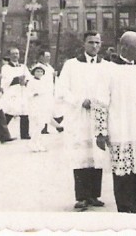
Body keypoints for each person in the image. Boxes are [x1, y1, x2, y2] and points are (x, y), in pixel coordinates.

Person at [93, 31, 136, 213]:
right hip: (119, 128)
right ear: (124, 48)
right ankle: (124, 210)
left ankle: (134, 208)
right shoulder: (108, 69)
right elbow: (100, 103)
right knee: (121, 173)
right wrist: (100, 132)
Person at [55, 31, 109, 211]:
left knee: (96, 154)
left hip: (97, 116)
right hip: (78, 115)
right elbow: (62, 89)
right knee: (80, 155)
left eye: (97, 43)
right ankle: (82, 196)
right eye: (91, 42)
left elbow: (109, 89)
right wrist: (80, 101)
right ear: (84, 44)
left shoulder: (106, 66)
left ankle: (94, 195)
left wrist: (99, 103)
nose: (94, 46)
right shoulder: (71, 65)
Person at [27, 65, 60, 152]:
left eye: (41, 72)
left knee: (41, 125)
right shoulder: (31, 81)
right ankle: (32, 142)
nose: (39, 73)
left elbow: (47, 91)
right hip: (35, 105)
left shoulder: (44, 81)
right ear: (33, 72)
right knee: (36, 124)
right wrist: (34, 94)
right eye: (37, 71)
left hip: (43, 105)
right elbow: (28, 93)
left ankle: (37, 143)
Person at [1, 48, 31, 140]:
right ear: (9, 56)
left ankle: (24, 134)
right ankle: (0, 132)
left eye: (17, 54)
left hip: (22, 91)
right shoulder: (6, 67)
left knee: (24, 110)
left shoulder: (23, 67)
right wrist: (17, 79)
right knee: (11, 110)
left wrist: (25, 81)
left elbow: (29, 78)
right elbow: (5, 81)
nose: (15, 55)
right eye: (13, 54)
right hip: (12, 92)